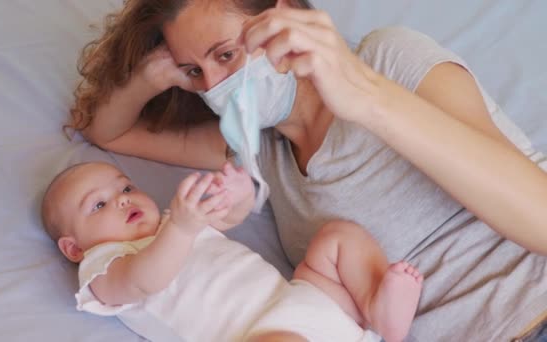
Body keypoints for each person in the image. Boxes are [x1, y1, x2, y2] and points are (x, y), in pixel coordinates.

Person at [67, 0, 547, 341]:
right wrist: (157, 72)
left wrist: (364, 98)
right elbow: (108, 132)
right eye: (196, 73)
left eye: (226, 55)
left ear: (284, 20)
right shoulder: (257, 151)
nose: (215, 85)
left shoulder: (386, 62)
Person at [40, 161, 423, 342]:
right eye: (99, 205)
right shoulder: (101, 267)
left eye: (125, 188)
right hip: (263, 333)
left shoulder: (176, 221)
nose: (122, 201)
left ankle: (378, 307)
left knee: (337, 237)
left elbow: (228, 218)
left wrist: (240, 195)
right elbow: (142, 281)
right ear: (73, 247)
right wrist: (181, 228)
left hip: (307, 300)